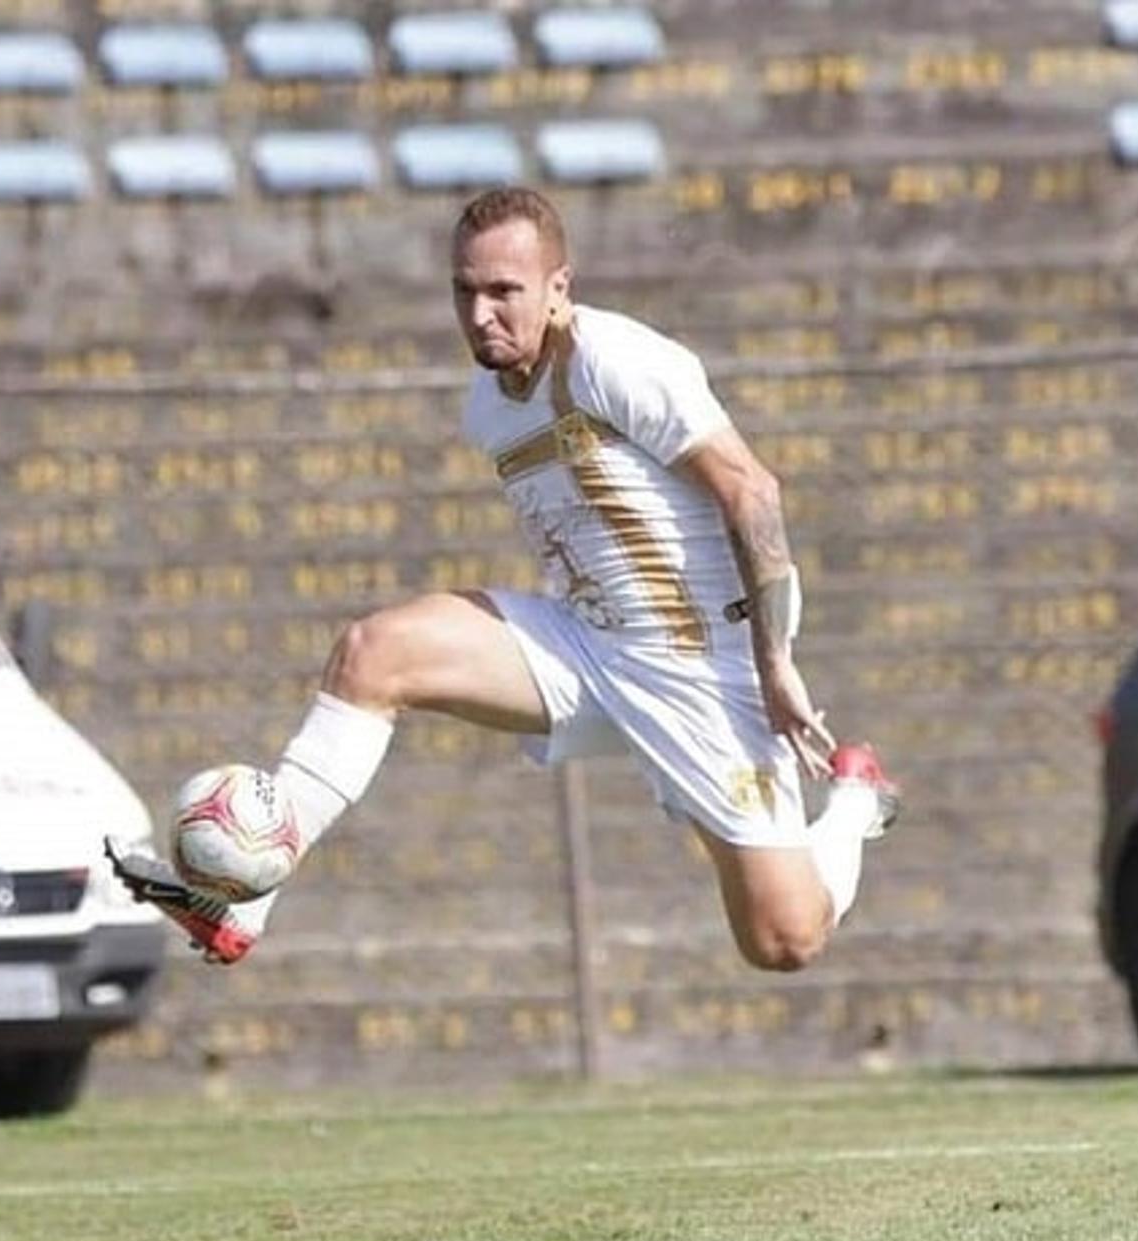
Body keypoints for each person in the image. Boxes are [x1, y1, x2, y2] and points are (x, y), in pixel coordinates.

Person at [110, 186, 899, 970]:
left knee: (782, 941)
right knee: (374, 653)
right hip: (586, 644)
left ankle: (856, 798)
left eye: (503, 291)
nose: (481, 313)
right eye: (464, 291)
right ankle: (241, 902)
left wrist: (775, 660)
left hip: (698, 664)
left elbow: (752, 491)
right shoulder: (487, 403)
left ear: (560, 287)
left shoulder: (616, 360)